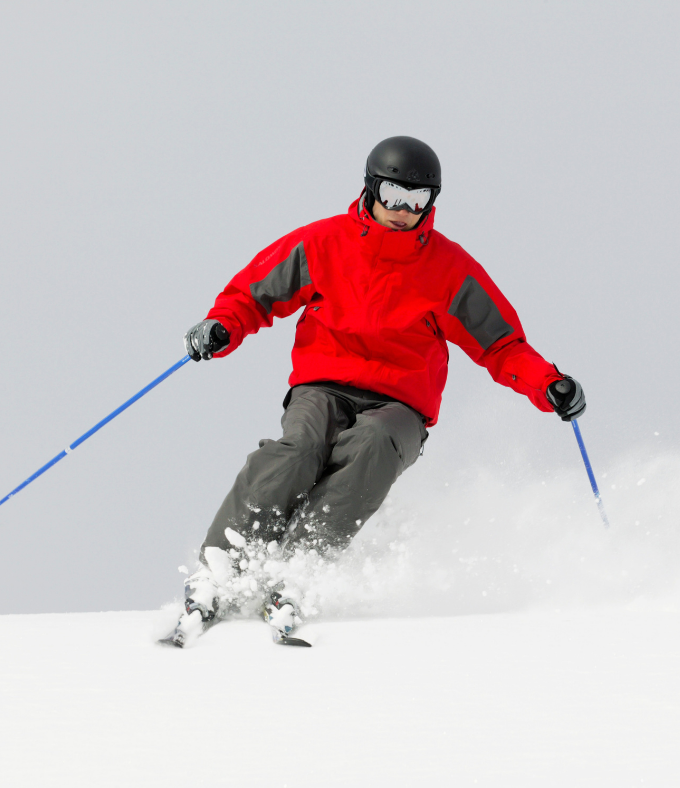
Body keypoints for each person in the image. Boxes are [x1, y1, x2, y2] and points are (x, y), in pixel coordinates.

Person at [163, 136, 585, 647]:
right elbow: (254, 294)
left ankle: (297, 570)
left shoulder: (449, 270)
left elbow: (501, 345)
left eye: (417, 200)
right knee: (300, 449)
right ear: (370, 187)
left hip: (399, 405)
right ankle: (224, 566)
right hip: (323, 384)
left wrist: (549, 384)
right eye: (393, 194)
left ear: (432, 203)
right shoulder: (323, 243)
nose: (403, 211)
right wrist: (221, 327)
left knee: (371, 448)